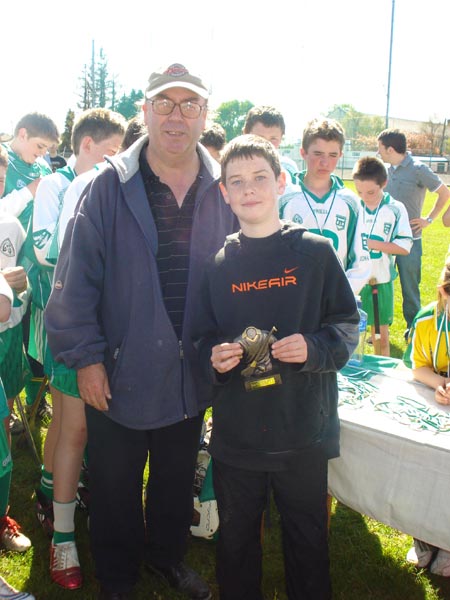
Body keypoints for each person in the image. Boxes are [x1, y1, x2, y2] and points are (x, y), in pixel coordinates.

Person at [44, 62, 237, 600]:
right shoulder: (107, 187)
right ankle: (120, 576)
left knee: (175, 482)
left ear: (205, 116)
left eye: (190, 105)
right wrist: (85, 358)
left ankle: (167, 558)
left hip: (189, 373)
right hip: (119, 374)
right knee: (114, 486)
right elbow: (74, 281)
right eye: (165, 104)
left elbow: (239, 272)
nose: (177, 116)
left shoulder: (224, 188)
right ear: (145, 112)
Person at [192, 134, 359, 600]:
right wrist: (215, 358)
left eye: (260, 178)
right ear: (224, 192)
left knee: (307, 542)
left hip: (302, 432)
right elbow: (200, 340)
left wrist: (314, 348)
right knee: (237, 542)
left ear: (281, 182)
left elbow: (347, 326)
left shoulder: (315, 253)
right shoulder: (218, 265)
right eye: (237, 181)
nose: (249, 189)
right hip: (238, 439)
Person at [30, 107, 126, 591]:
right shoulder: (73, 187)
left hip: (124, 337)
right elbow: (57, 257)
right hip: (76, 328)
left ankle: (82, 510)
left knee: (107, 434)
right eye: (112, 152)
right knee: (75, 429)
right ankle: (62, 536)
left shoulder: (132, 184)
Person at [1, 112, 59, 413]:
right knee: (12, 335)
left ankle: (35, 403)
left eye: (47, 149)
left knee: (36, 335)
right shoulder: (4, 163)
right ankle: (8, 406)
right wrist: (29, 191)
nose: (41, 155)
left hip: (34, 269)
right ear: (21, 134)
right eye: (39, 146)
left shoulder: (38, 166)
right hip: (6, 269)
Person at [279, 118, 371, 296]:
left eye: (332, 155)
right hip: (293, 297)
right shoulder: (285, 197)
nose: (325, 162)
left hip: (334, 299)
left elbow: (361, 260)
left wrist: (341, 296)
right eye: (318, 154)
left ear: (340, 156)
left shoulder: (351, 202)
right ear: (303, 153)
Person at [377, 129, 450, 338]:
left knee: (410, 289)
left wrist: (428, 219)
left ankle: (414, 330)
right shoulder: (387, 170)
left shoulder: (418, 169)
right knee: (383, 286)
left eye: (380, 148)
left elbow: (444, 193)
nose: (378, 152)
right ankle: (381, 330)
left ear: (390, 149)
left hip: (410, 241)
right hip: (386, 241)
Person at [403, 256, 450, 577]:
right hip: (435, 397)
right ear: (443, 292)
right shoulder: (426, 320)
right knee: (419, 453)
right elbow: (418, 368)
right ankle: (423, 534)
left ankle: (446, 542)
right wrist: (441, 384)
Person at [352, 156, 412, 356]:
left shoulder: (395, 209)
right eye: (360, 192)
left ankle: (381, 379)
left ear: (383, 184)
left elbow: (404, 247)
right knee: (350, 335)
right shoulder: (354, 206)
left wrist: (371, 244)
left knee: (380, 338)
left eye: (371, 192)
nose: (365, 197)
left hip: (380, 281)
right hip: (354, 282)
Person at [243, 105, 299, 193]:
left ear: (281, 138)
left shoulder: (289, 168)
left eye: (273, 139)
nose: (266, 144)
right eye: (260, 138)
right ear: (246, 134)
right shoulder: (234, 168)